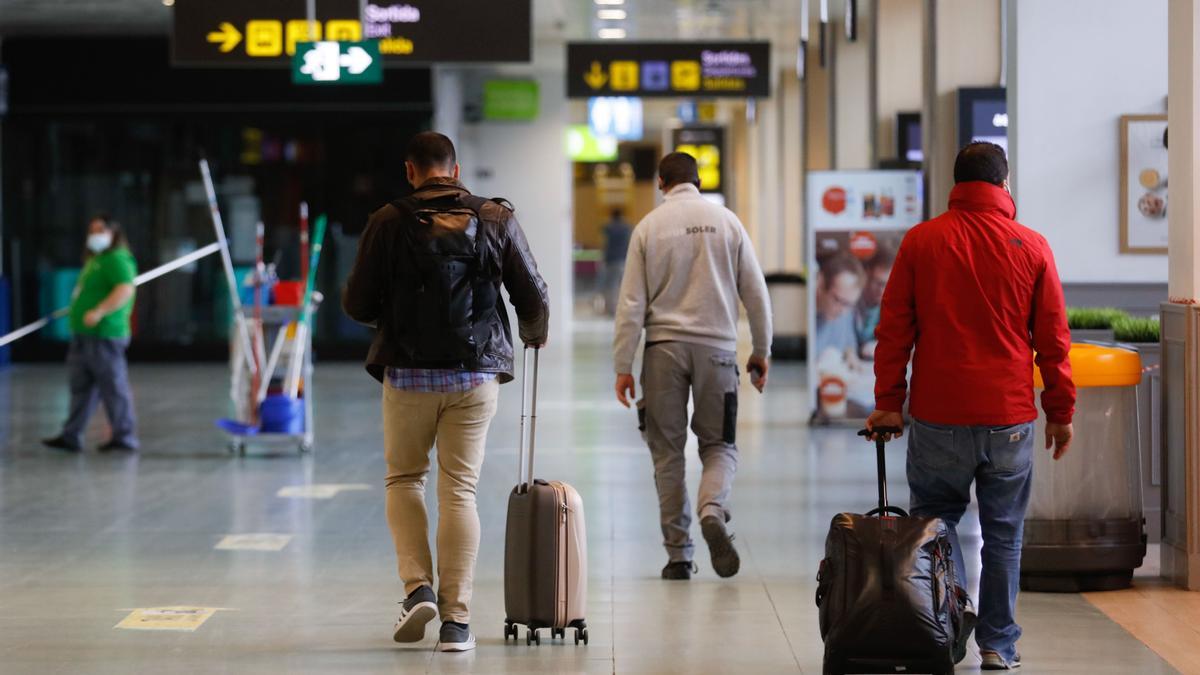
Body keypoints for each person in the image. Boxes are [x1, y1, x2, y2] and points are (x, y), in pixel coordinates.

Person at [866, 142, 1075, 671]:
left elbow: (894, 331)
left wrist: (889, 403)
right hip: (1008, 416)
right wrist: (1060, 411)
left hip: (938, 414)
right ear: (1005, 185)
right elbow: (1053, 339)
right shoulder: (1032, 245)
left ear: (955, 186)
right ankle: (998, 645)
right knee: (1004, 533)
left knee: (935, 525)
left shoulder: (922, 242)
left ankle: (949, 621)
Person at [342, 131, 549, 653]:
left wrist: (391, 311)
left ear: (411, 171)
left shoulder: (387, 221)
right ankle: (457, 623)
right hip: (474, 376)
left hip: (408, 376)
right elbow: (533, 293)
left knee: (405, 479)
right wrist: (532, 335)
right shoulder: (495, 218)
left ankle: (418, 589)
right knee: (459, 490)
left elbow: (357, 305)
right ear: (454, 172)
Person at [612, 152, 772, 581]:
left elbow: (631, 303)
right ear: (698, 180)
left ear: (661, 182)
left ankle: (679, 555)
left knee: (667, 455)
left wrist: (623, 364)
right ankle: (712, 509)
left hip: (662, 350)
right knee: (719, 446)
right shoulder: (728, 222)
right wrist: (761, 349)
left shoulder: (649, 227)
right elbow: (755, 292)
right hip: (717, 349)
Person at [42, 215, 139, 453]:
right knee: (81, 387)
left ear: (113, 232)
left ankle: (124, 436)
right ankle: (71, 435)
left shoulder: (117, 259)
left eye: (100, 230)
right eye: (92, 230)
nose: (94, 235)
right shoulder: (96, 260)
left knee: (113, 386)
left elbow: (125, 289)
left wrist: (99, 311)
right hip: (83, 335)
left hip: (104, 335)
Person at [813, 252, 865, 360]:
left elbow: (849, 343)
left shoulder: (847, 311)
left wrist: (850, 355)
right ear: (821, 284)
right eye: (837, 300)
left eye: (849, 304)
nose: (843, 311)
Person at [856, 245, 896, 360]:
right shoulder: (851, 300)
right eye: (878, 283)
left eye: (888, 284)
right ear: (867, 275)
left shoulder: (893, 304)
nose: (882, 290)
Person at [601, 207, 633, 315]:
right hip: (623, 259)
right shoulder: (627, 227)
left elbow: (603, 233)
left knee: (611, 285)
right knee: (623, 286)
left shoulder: (609, 227)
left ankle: (611, 309)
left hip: (611, 260)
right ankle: (623, 308)